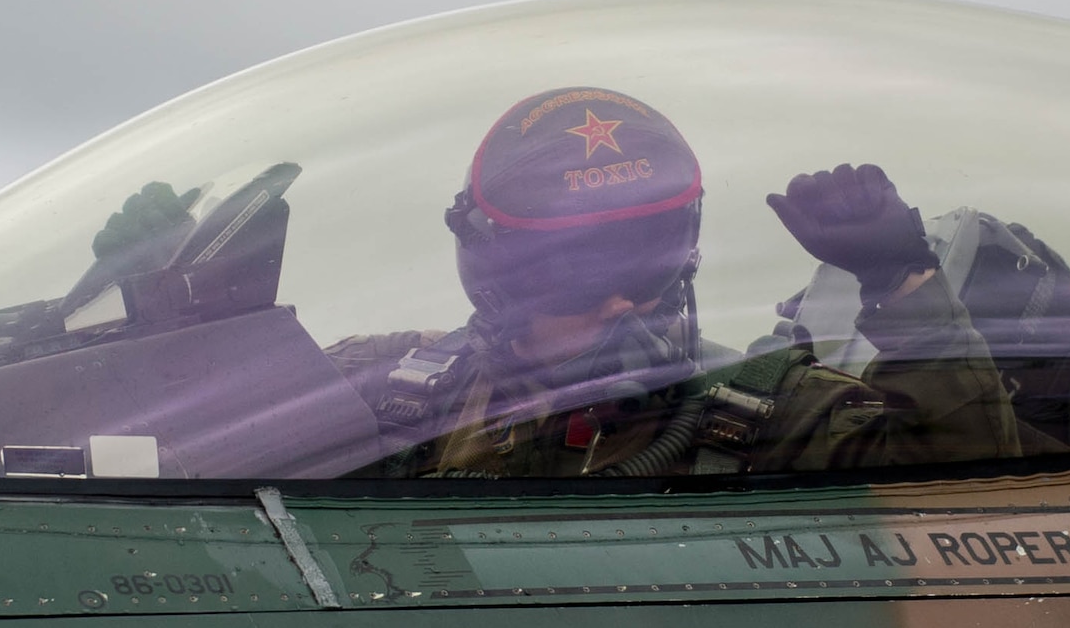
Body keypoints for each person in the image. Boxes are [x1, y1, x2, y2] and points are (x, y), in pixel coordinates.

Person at [322, 86, 1021, 477]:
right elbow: (235, 429)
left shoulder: (764, 411)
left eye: (649, 267)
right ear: (501, 286)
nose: (627, 301)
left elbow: (962, 479)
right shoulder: (408, 393)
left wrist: (902, 281)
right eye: (581, 277)